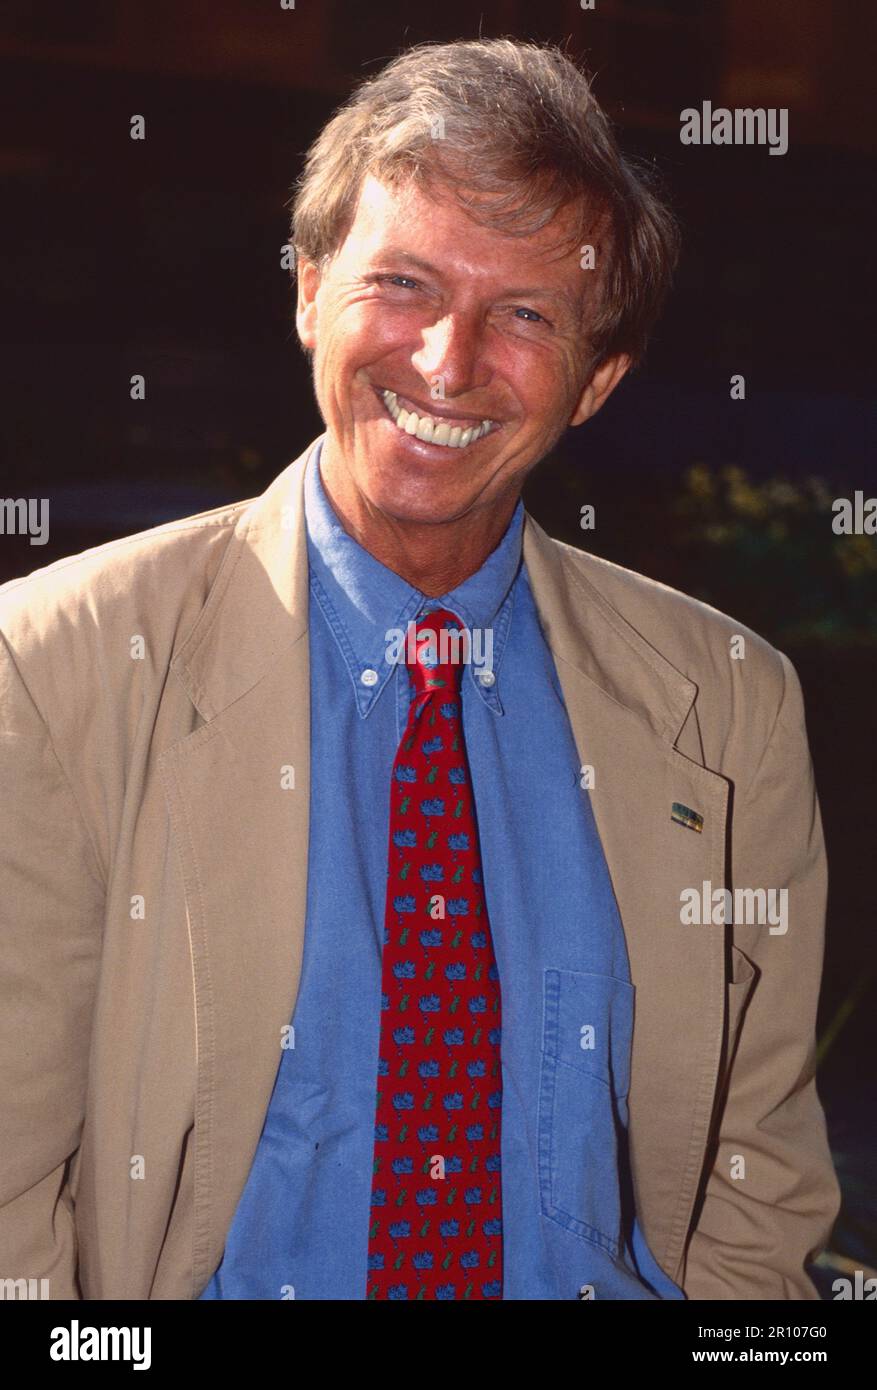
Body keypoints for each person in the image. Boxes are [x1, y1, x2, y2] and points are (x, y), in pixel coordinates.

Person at [0, 38, 839, 1300]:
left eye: (524, 315)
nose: (446, 362)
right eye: (402, 284)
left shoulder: (731, 708)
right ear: (305, 289)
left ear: (595, 382)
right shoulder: (57, 669)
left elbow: (756, 1178)